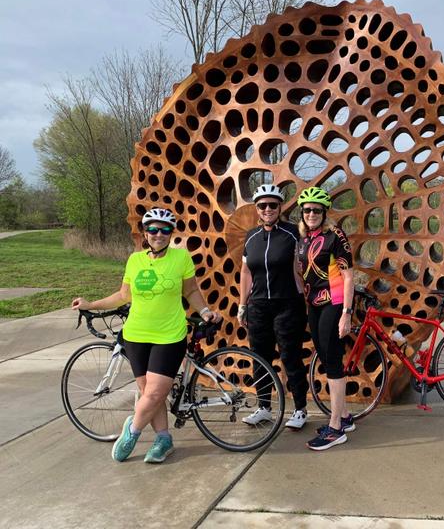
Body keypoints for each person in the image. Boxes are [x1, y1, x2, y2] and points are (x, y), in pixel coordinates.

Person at [72, 207, 220, 463]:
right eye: (152, 229)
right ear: (145, 232)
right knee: (148, 392)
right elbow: (123, 295)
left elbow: (191, 291)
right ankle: (163, 439)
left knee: (153, 394)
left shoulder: (181, 258)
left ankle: (132, 430)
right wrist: (91, 304)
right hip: (136, 335)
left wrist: (205, 311)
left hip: (169, 336)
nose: (158, 234)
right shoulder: (135, 260)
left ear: (171, 233)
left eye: (165, 230)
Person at [238, 183, 309, 430]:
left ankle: (300, 408)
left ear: (280, 207)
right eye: (262, 206)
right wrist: (242, 305)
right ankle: (264, 408)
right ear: (257, 209)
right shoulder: (251, 236)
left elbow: (303, 266)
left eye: (272, 205)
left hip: (287, 303)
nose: (267, 209)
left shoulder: (293, 233)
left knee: (290, 356)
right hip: (258, 305)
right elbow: (246, 272)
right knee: (260, 357)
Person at [296, 186, 356, 451]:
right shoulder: (304, 238)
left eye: (317, 210)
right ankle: (344, 416)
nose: (311, 214)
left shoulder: (335, 236)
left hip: (334, 302)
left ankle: (335, 428)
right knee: (324, 354)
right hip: (314, 304)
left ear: (324, 213)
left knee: (332, 361)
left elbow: (349, 276)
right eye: (307, 210)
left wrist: (346, 314)